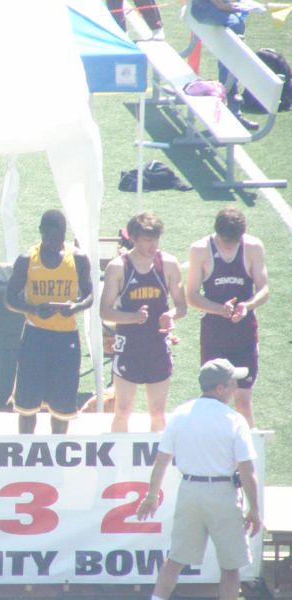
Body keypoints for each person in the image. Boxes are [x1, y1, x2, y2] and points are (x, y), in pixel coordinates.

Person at [136, 358, 261, 600]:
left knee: (175, 560)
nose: (235, 387)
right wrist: (254, 508)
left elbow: (161, 460)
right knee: (230, 566)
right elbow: (247, 470)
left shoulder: (181, 414)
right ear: (220, 388)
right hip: (223, 494)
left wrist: (152, 495)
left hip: (190, 491)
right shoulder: (234, 419)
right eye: (231, 382)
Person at [4, 209, 93, 434]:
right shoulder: (27, 259)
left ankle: (58, 449)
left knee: (62, 404)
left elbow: (90, 296)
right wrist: (33, 309)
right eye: (48, 237)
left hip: (66, 337)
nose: (53, 242)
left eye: (58, 237)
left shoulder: (79, 258)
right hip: (36, 334)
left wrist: (76, 307)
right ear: (41, 233)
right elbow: (9, 299)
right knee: (27, 403)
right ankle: (26, 448)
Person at [100, 212, 187, 432]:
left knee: (158, 413)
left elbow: (182, 306)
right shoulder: (118, 267)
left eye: (156, 239)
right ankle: (117, 464)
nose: (153, 245)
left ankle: (159, 464)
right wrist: (133, 318)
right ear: (134, 239)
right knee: (122, 411)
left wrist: (171, 316)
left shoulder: (168, 263)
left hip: (157, 346)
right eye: (148, 240)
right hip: (129, 346)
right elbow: (104, 311)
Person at [186, 208, 267, 428]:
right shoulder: (200, 249)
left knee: (242, 400)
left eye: (234, 240)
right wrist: (219, 309)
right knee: (214, 399)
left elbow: (264, 289)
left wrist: (247, 305)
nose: (230, 246)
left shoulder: (252, 247)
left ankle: (248, 458)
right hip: (215, 333)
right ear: (217, 233)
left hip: (244, 333)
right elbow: (191, 295)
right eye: (225, 240)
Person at [189, 0, 260, 130]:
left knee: (230, 48)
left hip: (210, 6)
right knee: (236, 26)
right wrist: (222, 5)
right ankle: (231, 105)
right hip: (204, 7)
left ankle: (231, 106)